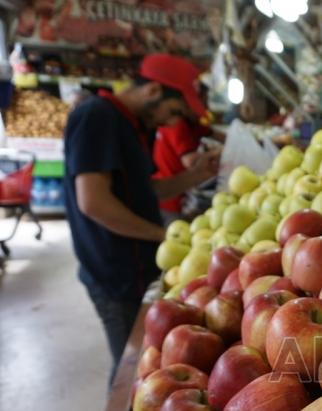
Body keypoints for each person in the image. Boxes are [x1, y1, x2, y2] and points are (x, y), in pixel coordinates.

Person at [63, 54, 220, 382]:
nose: (171, 122)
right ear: (153, 91)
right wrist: (162, 235)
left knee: (142, 362)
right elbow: (93, 201)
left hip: (136, 268)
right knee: (130, 369)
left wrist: (196, 175)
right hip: (114, 272)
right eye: (173, 111)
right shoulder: (97, 117)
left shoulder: (133, 126)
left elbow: (147, 190)